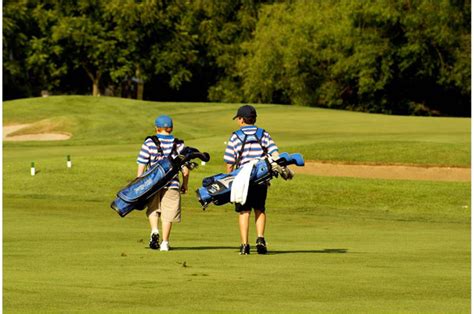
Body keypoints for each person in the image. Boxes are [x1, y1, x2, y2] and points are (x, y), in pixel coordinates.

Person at [224, 105, 279, 255]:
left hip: (242, 180)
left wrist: (229, 180)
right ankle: (260, 239)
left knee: (244, 211)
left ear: (241, 120)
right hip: (261, 179)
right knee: (260, 209)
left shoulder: (236, 136)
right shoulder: (263, 134)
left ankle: (244, 245)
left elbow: (230, 161)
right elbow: (275, 153)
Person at [136, 115, 189, 251]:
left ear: (156, 128)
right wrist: (185, 184)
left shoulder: (149, 143)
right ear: (171, 128)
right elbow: (186, 170)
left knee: (153, 209)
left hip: (151, 184)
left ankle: (154, 231)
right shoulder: (179, 145)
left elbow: (141, 164)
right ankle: (165, 242)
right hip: (172, 183)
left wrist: (139, 183)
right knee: (168, 213)